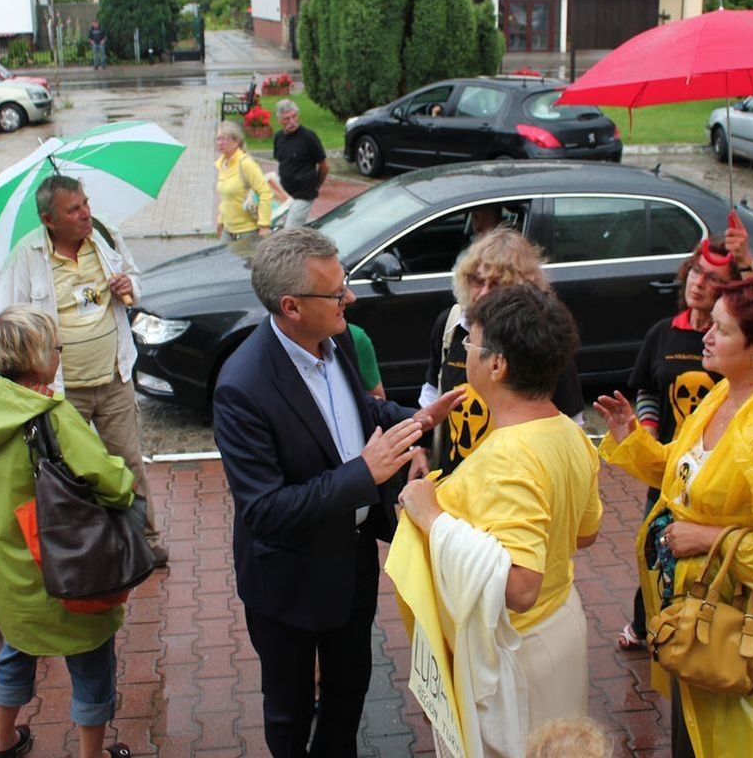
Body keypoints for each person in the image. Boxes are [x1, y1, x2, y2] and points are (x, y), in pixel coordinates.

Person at [212, 227, 460, 758]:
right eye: (336, 292)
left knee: (349, 693)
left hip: (350, 563)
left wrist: (415, 420)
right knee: (290, 710)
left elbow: (355, 414)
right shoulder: (242, 387)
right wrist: (362, 475)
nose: (349, 297)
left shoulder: (336, 339)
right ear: (291, 307)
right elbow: (264, 509)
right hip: (289, 580)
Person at [595, 275, 753, 758]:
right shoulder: (723, 396)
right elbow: (689, 475)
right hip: (699, 625)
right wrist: (632, 437)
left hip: (752, 642)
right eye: (709, 325)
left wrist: (708, 538)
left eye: (722, 330)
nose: (706, 337)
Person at [398, 285, 603, 751]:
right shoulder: (570, 433)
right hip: (561, 626)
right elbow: (586, 533)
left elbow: (521, 587)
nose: (464, 351)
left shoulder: (510, 455)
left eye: (470, 341)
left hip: (518, 649)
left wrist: (433, 517)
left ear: (497, 364)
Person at [0, 304, 133, 758]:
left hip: (5, 570)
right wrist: (126, 486)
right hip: (63, 567)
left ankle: (4, 741)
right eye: (56, 346)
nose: (61, 352)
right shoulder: (51, 415)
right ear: (37, 358)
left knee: (18, 647)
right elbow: (111, 481)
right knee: (92, 660)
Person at [0, 175, 167, 567]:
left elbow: (136, 283)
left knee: (128, 463)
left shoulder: (105, 235)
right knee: (69, 474)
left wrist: (129, 285)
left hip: (115, 376)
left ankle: (146, 540)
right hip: (60, 391)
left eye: (85, 203)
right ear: (48, 219)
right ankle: (83, 550)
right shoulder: (27, 256)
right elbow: (3, 318)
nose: (86, 213)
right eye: (74, 209)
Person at [617, 237, 740, 652]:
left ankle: (701, 628)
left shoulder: (737, 341)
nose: (699, 282)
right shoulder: (663, 333)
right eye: (696, 271)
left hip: (720, 470)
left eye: (714, 278)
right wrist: (647, 427)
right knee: (657, 542)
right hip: (671, 466)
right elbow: (648, 388)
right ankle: (646, 620)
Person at [420, 229, 583, 475]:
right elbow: (432, 393)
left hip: (512, 483)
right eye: (477, 280)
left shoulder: (540, 340)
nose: (484, 293)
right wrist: (418, 449)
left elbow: (570, 422)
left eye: (497, 284)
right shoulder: (450, 325)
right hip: (452, 485)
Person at [215, 121, 273, 243]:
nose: (219, 143)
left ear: (236, 142)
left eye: (224, 139)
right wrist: (221, 220)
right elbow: (225, 198)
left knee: (248, 262)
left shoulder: (246, 163)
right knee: (221, 261)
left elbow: (265, 192)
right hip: (228, 228)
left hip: (248, 230)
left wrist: (264, 225)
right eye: (218, 139)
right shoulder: (222, 164)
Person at [273, 99, 328, 228]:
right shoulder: (278, 137)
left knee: (291, 230)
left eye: (294, 116)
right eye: (287, 119)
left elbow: (324, 165)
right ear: (279, 120)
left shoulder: (308, 137)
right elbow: (281, 161)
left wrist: (316, 185)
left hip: (304, 193)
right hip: (285, 193)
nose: (291, 122)